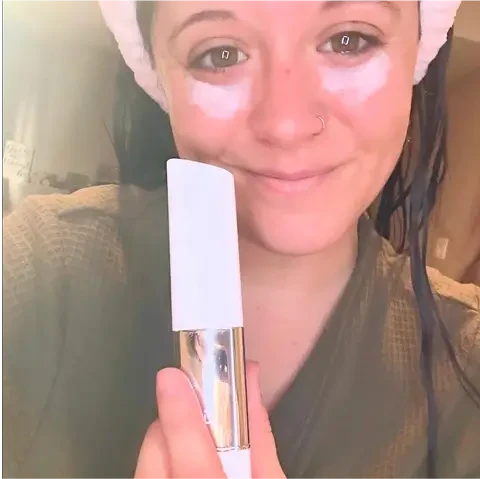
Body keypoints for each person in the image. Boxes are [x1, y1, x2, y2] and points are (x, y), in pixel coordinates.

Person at [3, 0, 479, 478]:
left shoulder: (469, 368)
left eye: (348, 41)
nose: (285, 125)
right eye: (221, 55)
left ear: (418, 53)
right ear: (158, 77)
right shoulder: (38, 269)